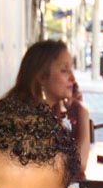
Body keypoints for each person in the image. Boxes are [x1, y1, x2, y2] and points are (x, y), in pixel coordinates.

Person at [5, 40, 91, 177]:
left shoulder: (46, 113)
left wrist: (76, 123)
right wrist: (83, 114)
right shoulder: (28, 117)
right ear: (41, 77)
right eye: (64, 70)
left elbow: (69, 157)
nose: (73, 78)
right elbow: (77, 165)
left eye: (71, 70)